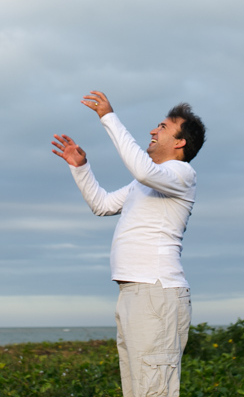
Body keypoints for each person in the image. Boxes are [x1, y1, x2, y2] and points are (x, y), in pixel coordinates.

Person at [51, 91, 205, 397]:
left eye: (162, 127)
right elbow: (103, 204)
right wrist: (80, 167)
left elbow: (142, 170)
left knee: (154, 390)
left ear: (179, 142)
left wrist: (108, 116)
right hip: (134, 292)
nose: (152, 130)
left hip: (156, 291)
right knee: (137, 389)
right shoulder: (144, 184)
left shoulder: (182, 174)